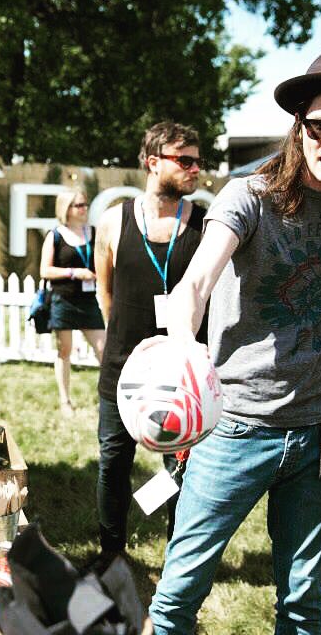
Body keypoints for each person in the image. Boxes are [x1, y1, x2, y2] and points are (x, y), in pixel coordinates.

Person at [148, 42, 321, 634]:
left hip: (318, 429)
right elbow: (194, 287)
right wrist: (184, 354)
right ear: (300, 127)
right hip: (234, 425)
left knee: (301, 605)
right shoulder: (251, 197)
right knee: (176, 601)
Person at [91, 121, 207, 570]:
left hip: (184, 375)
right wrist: (125, 347)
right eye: (185, 160)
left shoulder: (204, 224)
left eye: (198, 160)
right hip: (123, 368)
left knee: (183, 471)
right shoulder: (113, 221)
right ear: (153, 161)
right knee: (113, 463)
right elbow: (107, 295)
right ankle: (111, 554)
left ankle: (178, 556)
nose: (196, 169)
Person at [39, 190, 106, 414]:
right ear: (66, 208)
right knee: (65, 350)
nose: (84, 208)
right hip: (63, 299)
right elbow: (45, 270)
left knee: (103, 350)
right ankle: (65, 401)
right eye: (78, 205)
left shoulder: (94, 233)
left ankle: (108, 399)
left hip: (88, 300)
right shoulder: (55, 235)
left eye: (85, 204)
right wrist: (74, 272)